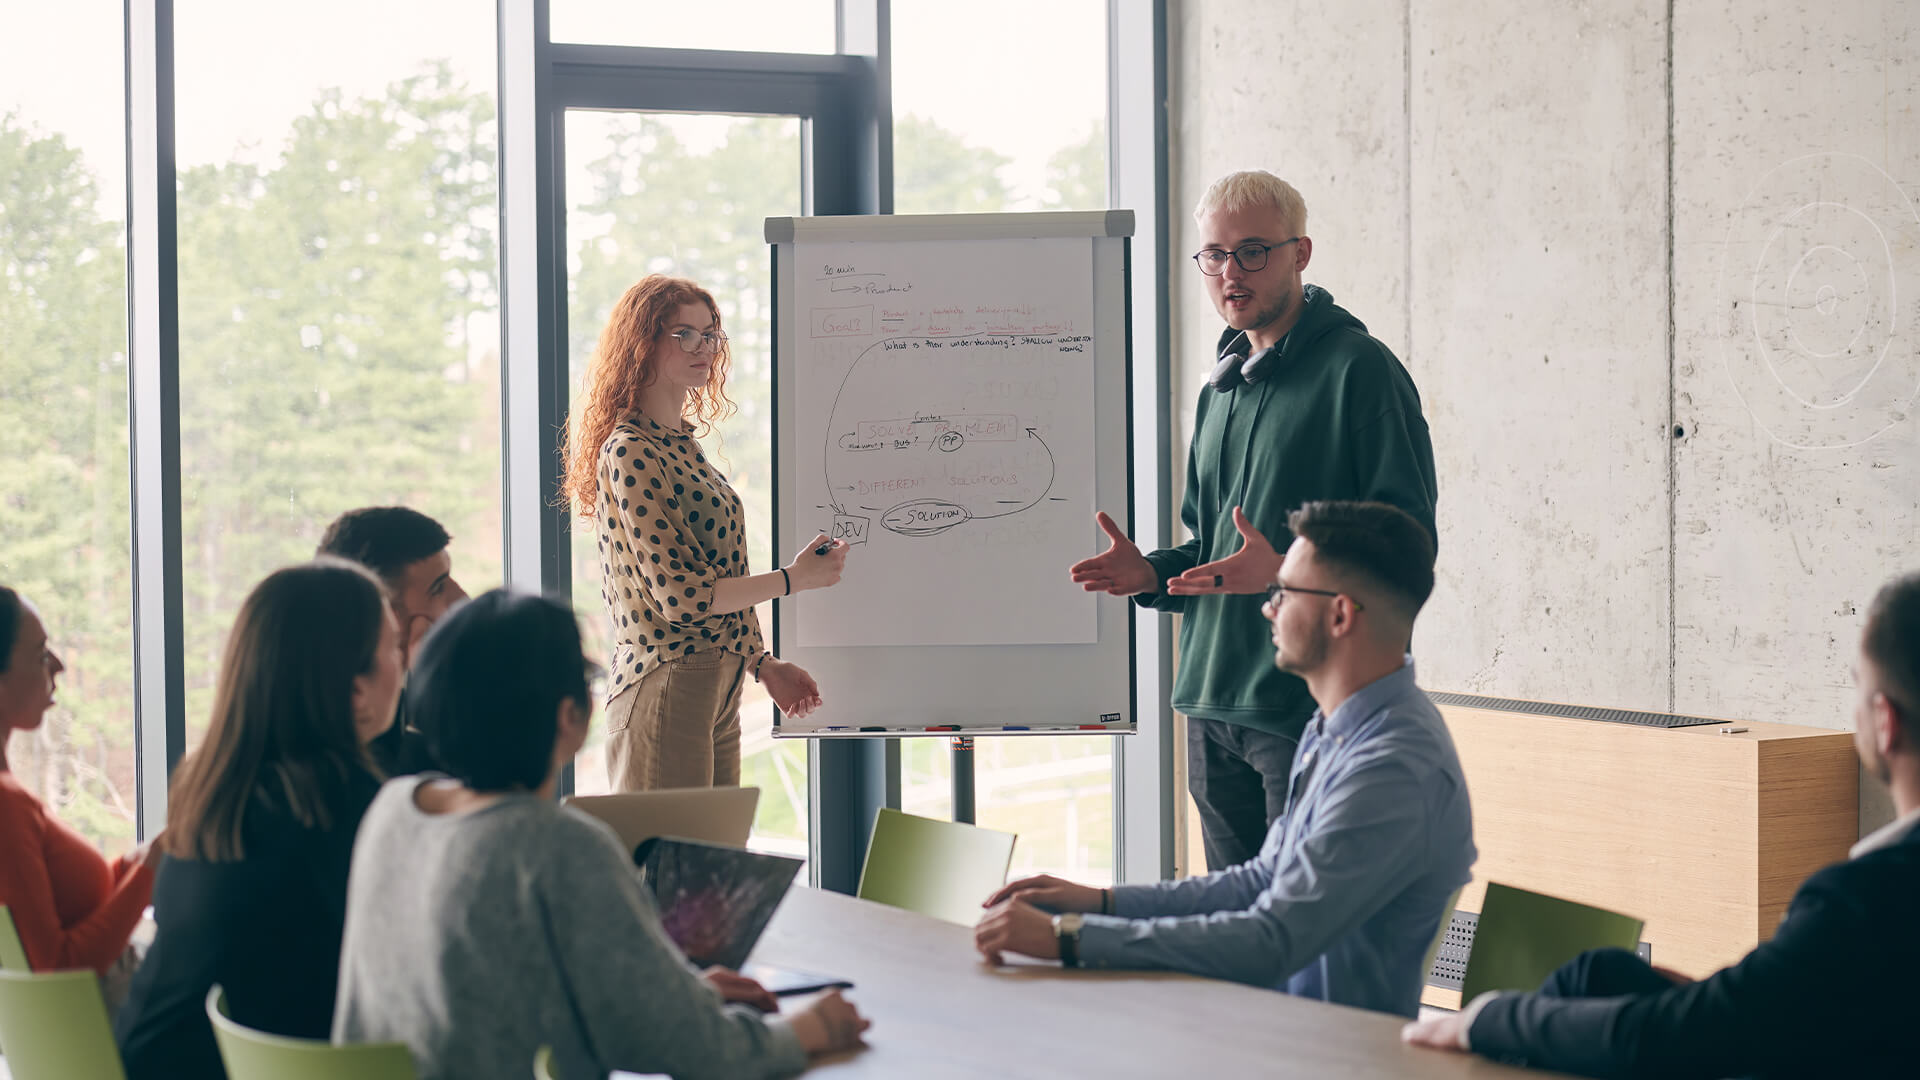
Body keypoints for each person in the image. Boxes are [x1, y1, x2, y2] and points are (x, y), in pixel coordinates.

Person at [334, 588, 869, 1079]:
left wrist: (673, 997)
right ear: (573, 714)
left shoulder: (392, 810)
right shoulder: (557, 844)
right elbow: (695, 1053)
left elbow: (516, 998)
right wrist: (811, 1029)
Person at [1403, 570, 1920, 1078]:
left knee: (1584, 991)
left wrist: (1490, 1019)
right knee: (1601, 975)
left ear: (1884, 720)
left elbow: (1670, 1040)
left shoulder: (1866, 901)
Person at [1070, 170, 1438, 872]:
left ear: (1300, 254)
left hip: (1302, 708)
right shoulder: (1223, 387)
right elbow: (1210, 550)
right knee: (1232, 934)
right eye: (1214, 254)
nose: (1229, 273)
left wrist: (1287, 573)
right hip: (1209, 701)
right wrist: (1151, 572)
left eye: (1252, 252)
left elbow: (1408, 543)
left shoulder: (1360, 371)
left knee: (1297, 939)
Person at [983, 501, 1472, 1018]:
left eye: (1283, 592)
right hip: (1276, 1033)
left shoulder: (1392, 766)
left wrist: (1070, 937)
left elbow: (1272, 940)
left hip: (1330, 1056)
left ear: (1340, 614)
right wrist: (1100, 902)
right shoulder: (1336, 727)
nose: (1268, 607)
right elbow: (1260, 881)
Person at [113, 560, 402, 1079]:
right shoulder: (348, 804)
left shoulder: (209, 790)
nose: (405, 665)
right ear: (357, 690)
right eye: (395, 649)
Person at [561, 274, 847, 791]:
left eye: (711, 334)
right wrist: (793, 579)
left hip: (715, 681)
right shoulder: (630, 449)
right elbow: (683, 597)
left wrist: (763, 665)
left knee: (713, 864)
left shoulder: (680, 444)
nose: (704, 348)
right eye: (684, 334)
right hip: (666, 680)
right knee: (672, 867)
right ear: (641, 341)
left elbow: (717, 579)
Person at [0, 586, 157, 986]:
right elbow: (54, 969)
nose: (58, 666)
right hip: (109, 1032)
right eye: (40, 654)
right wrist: (151, 870)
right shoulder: (6, 805)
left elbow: (61, 898)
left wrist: (134, 865)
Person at [317, 505, 469, 775]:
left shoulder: (394, 699)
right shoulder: (332, 747)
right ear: (381, 610)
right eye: (437, 588)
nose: (461, 599)